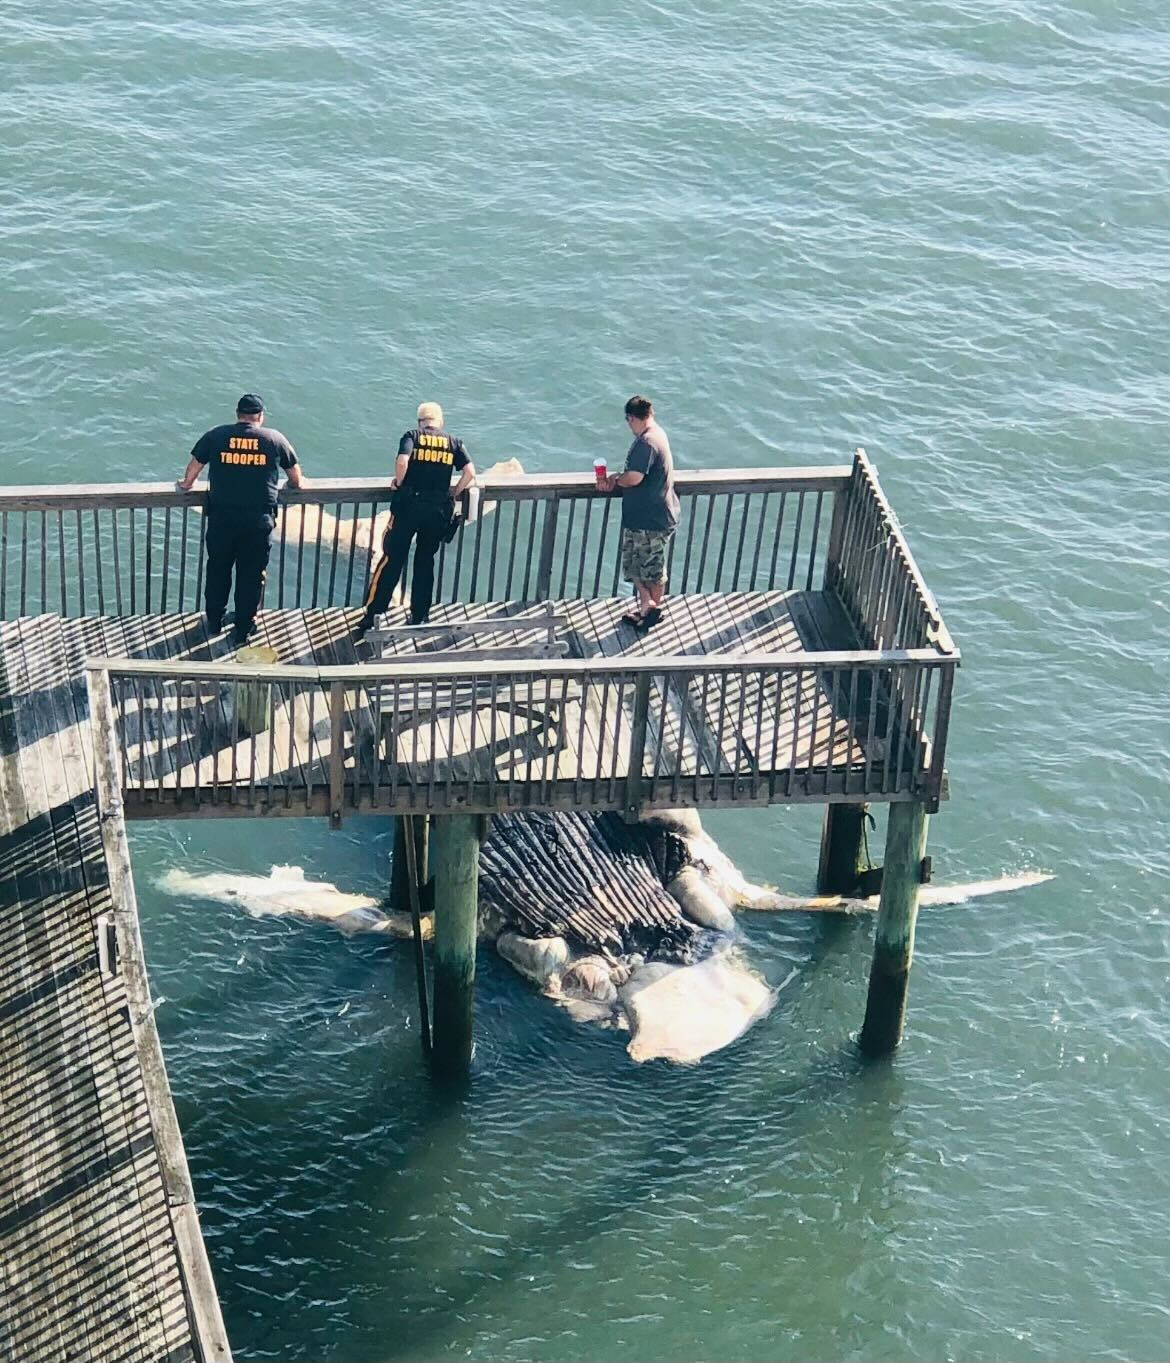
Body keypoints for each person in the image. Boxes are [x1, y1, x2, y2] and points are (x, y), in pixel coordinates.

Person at [176, 393, 303, 645]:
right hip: (258, 522)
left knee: (218, 570)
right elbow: (296, 477)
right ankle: (243, 628)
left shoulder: (217, 435)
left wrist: (187, 484)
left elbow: (194, 467)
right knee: (251, 576)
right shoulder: (274, 439)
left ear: (237, 415)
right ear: (260, 416)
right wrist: (292, 484)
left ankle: (213, 621)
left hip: (222, 519)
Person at [356, 401, 476, 636]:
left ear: (421, 421)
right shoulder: (453, 442)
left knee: (392, 559)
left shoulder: (413, 436)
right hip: (437, 511)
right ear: (439, 422)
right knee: (425, 561)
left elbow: (402, 461)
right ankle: (420, 616)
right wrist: (454, 492)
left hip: (409, 507)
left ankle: (374, 615)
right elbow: (470, 472)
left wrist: (399, 483)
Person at [599, 394, 679, 629]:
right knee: (636, 565)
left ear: (632, 418)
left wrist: (616, 480)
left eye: (628, 420)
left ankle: (650, 609)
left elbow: (634, 477)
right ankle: (648, 608)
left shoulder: (646, 442)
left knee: (650, 569)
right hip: (649, 516)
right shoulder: (658, 434)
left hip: (650, 519)